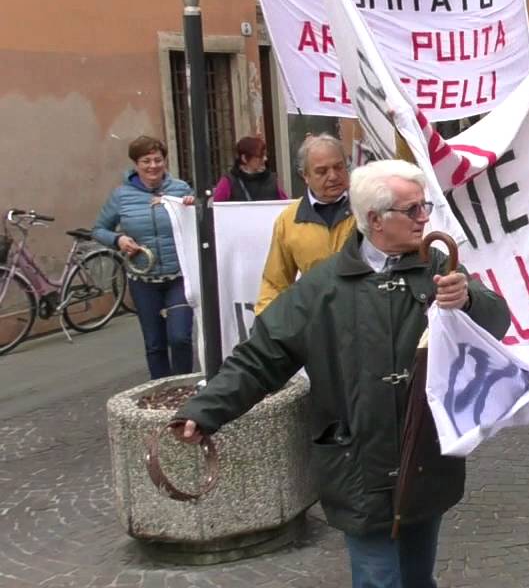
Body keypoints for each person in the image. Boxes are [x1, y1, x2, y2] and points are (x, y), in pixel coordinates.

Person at [171, 160, 510, 588]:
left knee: (417, 577)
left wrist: (468, 301)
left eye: (424, 207)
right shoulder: (321, 289)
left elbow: (497, 320)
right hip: (357, 463)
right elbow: (259, 358)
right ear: (375, 220)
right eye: (413, 210)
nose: (425, 217)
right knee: (379, 581)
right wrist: (204, 410)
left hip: (422, 457)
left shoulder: (436, 267)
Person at [92, 136, 196, 379]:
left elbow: (201, 221)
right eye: (145, 161)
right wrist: (118, 240)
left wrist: (194, 206)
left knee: (180, 337)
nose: (153, 166)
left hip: (179, 276)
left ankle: (184, 388)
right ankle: (161, 389)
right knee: (154, 343)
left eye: (158, 160)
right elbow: (98, 230)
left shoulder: (179, 189)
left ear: (165, 161)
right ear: (135, 164)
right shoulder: (121, 195)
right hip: (143, 279)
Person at [256, 134, 356, 312]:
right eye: (322, 171)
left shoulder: (366, 208)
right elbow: (274, 284)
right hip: (316, 322)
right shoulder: (289, 220)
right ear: (305, 175)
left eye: (338, 167)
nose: (333, 176)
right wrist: (267, 327)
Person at [212, 135, 289, 202]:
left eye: (265, 155)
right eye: (260, 156)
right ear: (244, 158)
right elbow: (217, 210)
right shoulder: (228, 182)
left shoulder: (272, 180)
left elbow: (285, 207)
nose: (265, 159)